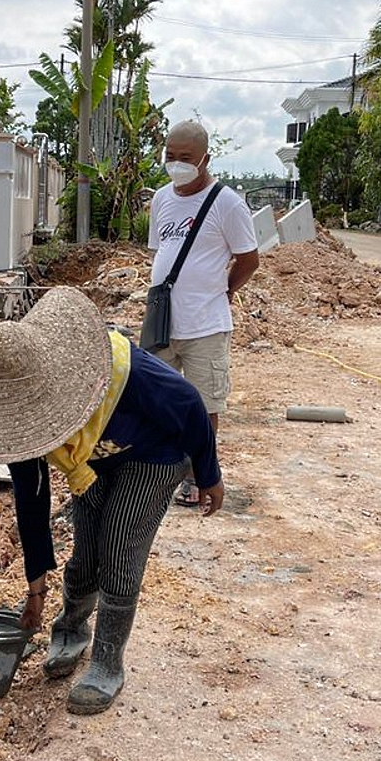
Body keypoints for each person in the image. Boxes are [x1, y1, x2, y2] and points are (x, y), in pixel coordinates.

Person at [0, 287, 223, 715]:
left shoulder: (119, 372)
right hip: (94, 461)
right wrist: (35, 590)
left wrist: (208, 475)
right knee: (86, 551)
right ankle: (72, 628)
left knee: (118, 548)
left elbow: (190, 404)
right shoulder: (24, 422)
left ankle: (107, 662)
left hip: (155, 455)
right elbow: (32, 499)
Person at [147, 120, 260, 505]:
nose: (177, 164)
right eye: (170, 156)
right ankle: (155, 473)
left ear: (205, 159)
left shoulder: (226, 203)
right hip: (162, 322)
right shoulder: (162, 198)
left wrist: (224, 291)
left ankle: (199, 477)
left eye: (186, 158)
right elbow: (158, 251)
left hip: (205, 325)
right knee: (154, 400)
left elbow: (248, 258)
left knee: (204, 406)